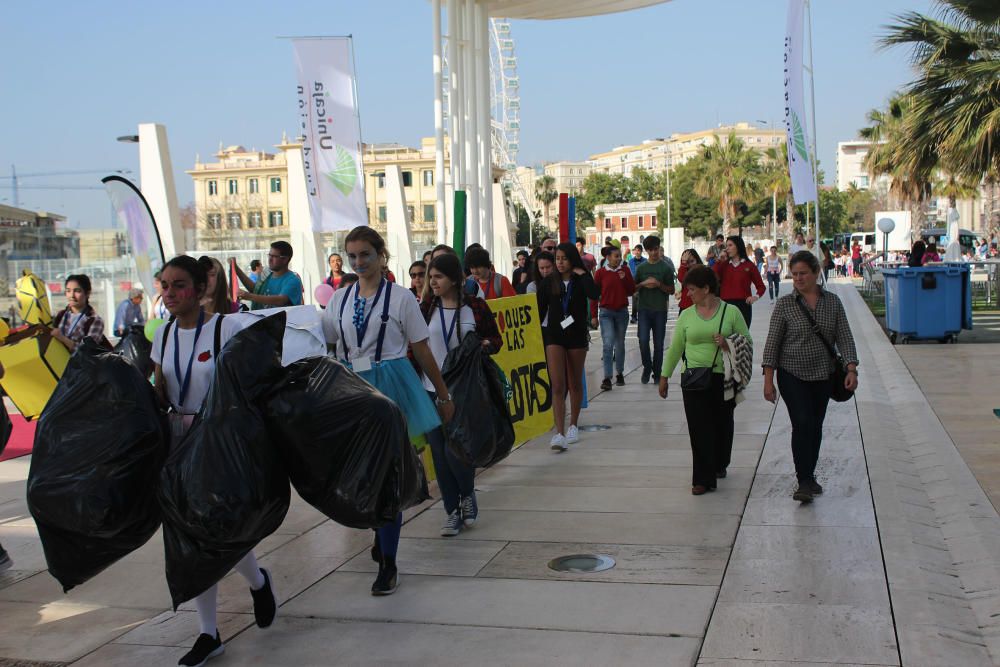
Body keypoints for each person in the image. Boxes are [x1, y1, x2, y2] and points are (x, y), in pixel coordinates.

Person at [150, 255, 277, 667]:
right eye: (165, 286)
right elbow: (159, 388)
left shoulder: (228, 327)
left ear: (202, 286)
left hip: (219, 442)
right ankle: (209, 633)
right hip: (178, 442)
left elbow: (257, 377)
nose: (170, 294)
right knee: (193, 536)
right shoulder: (163, 335)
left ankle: (258, 582)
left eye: (179, 285)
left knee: (219, 531)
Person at [321, 226, 453, 595]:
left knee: (389, 476)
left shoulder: (400, 298)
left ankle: (389, 561)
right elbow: (328, 346)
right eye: (353, 255)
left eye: (365, 254)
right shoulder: (339, 300)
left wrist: (442, 395)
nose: (359, 262)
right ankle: (381, 532)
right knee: (364, 475)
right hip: (353, 390)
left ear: (381, 256)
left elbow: (422, 349)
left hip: (394, 387)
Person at [762, 250, 859, 503]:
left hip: (823, 374)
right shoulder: (785, 305)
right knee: (802, 422)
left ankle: (810, 474)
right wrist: (768, 381)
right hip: (791, 373)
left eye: (803, 273)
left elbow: (844, 336)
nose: (798, 278)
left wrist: (851, 368)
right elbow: (772, 344)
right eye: (794, 274)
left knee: (815, 425)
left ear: (816, 273)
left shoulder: (833, 302)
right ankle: (803, 479)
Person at [419, 253, 502, 536]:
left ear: (454, 278)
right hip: (430, 389)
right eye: (431, 278)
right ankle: (451, 510)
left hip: (463, 392)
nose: (433, 282)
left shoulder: (474, 307)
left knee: (457, 451)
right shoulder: (426, 307)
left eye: (438, 277)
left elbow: (496, 340)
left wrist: (484, 344)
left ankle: (467, 495)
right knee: (439, 454)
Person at [659, 266, 751, 494]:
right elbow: (676, 348)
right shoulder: (687, 315)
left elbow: (747, 342)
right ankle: (702, 478)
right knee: (698, 428)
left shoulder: (731, 312)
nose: (687, 294)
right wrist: (665, 375)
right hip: (693, 378)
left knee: (721, 424)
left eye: (691, 289)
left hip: (723, 377)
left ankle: (720, 462)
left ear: (706, 289)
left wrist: (728, 343)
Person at [537, 243, 599, 451]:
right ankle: (559, 433)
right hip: (554, 335)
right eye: (557, 259)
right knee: (557, 385)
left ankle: (573, 425)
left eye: (564, 258)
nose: (560, 262)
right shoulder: (548, 283)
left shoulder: (580, 280)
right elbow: (539, 310)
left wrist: (583, 274)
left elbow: (594, 294)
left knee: (574, 381)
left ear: (572, 259)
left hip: (576, 335)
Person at [633, 235, 675, 385]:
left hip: (660, 310)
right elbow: (632, 287)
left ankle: (657, 372)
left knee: (659, 344)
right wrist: (644, 283)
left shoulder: (666, 268)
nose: (654, 253)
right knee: (643, 340)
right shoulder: (641, 268)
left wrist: (658, 284)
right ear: (646, 251)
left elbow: (671, 290)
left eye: (656, 249)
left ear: (659, 248)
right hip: (644, 309)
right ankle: (647, 366)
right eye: (650, 250)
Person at [592, 245, 635, 390]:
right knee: (608, 344)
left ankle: (620, 372)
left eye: (619, 256)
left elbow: (631, 290)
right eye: (616, 256)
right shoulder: (600, 273)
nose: (618, 259)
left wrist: (624, 279)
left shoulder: (625, 271)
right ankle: (607, 377)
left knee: (620, 344)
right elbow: (593, 295)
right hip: (606, 313)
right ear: (608, 257)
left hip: (622, 312)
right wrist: (593, 316)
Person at [234, 241, 303, 309]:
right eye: (269, 255)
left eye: (274, 256)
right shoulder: (266, 274)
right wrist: (236, 269)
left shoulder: (293, 280)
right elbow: (255, 291)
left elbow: (280, 300)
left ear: (285, 259)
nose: (270, 259)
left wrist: (249, 296)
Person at [714, 236, 765, 327]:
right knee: (726, 335)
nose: (727, 249)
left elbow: (761, 286)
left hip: (743, 305)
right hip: (725, 305)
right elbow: (712, 276)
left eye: (730, 245)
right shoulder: (723, 265)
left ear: (738, 246)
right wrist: (719, 260)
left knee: (742, 337)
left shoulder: (749, 265)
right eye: (726, 246)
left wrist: (755, 297)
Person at [51, 274, 106, 353]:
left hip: (78, 364)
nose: (72, 295)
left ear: (87, 293)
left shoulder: (95, 321)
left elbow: (88, 350)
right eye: (68, 291)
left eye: (77, 291)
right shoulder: (60, 315)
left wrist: (63, 338)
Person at [676, 249, 703, 314]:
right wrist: (683, 263)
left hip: (699, 307)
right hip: (685, 307)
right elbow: (681, 278)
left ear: (697, 260)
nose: (690, 264)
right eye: (687, 262)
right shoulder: (683, 269)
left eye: (692, 261)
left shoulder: (702, 271)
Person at [627, 244, 646, 323]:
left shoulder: (645, 261)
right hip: (634, 283)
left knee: (642, 301)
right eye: (636, 250)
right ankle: (634, 317)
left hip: (643, 282)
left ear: (641, 251)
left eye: (639, 250)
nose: (637, 252)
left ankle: (642, 316)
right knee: (634, 301)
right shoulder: (631, 261)